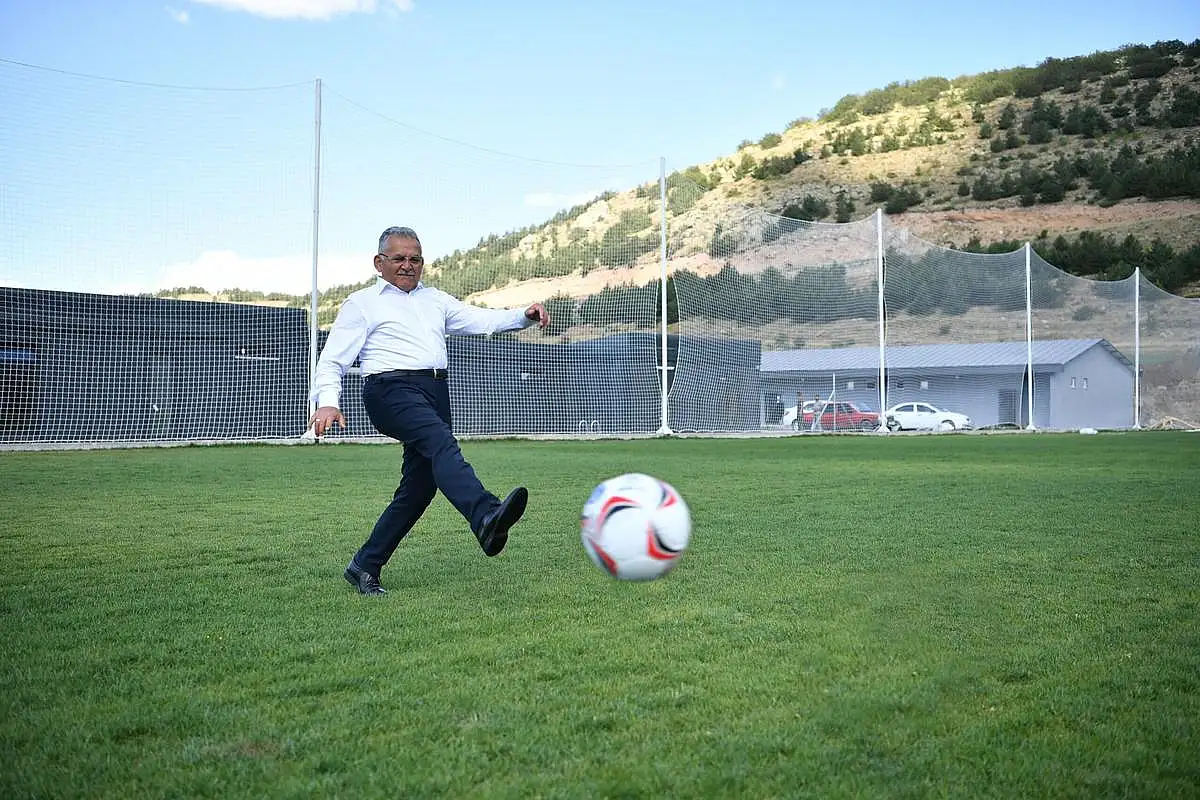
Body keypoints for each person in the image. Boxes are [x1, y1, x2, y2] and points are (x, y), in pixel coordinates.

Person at [308, 226, 550, 596]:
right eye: (399, 258)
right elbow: (331, 360)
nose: (408, 265)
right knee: (440, 442)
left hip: (434, 390)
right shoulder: (361, 303)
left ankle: (364, 565)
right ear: (379, 263)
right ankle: (485, 515)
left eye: (415, 259)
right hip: (389, 390)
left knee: (419, 489)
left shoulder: (436, 299)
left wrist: (524, 315)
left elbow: (480, 319)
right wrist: (328, 400)